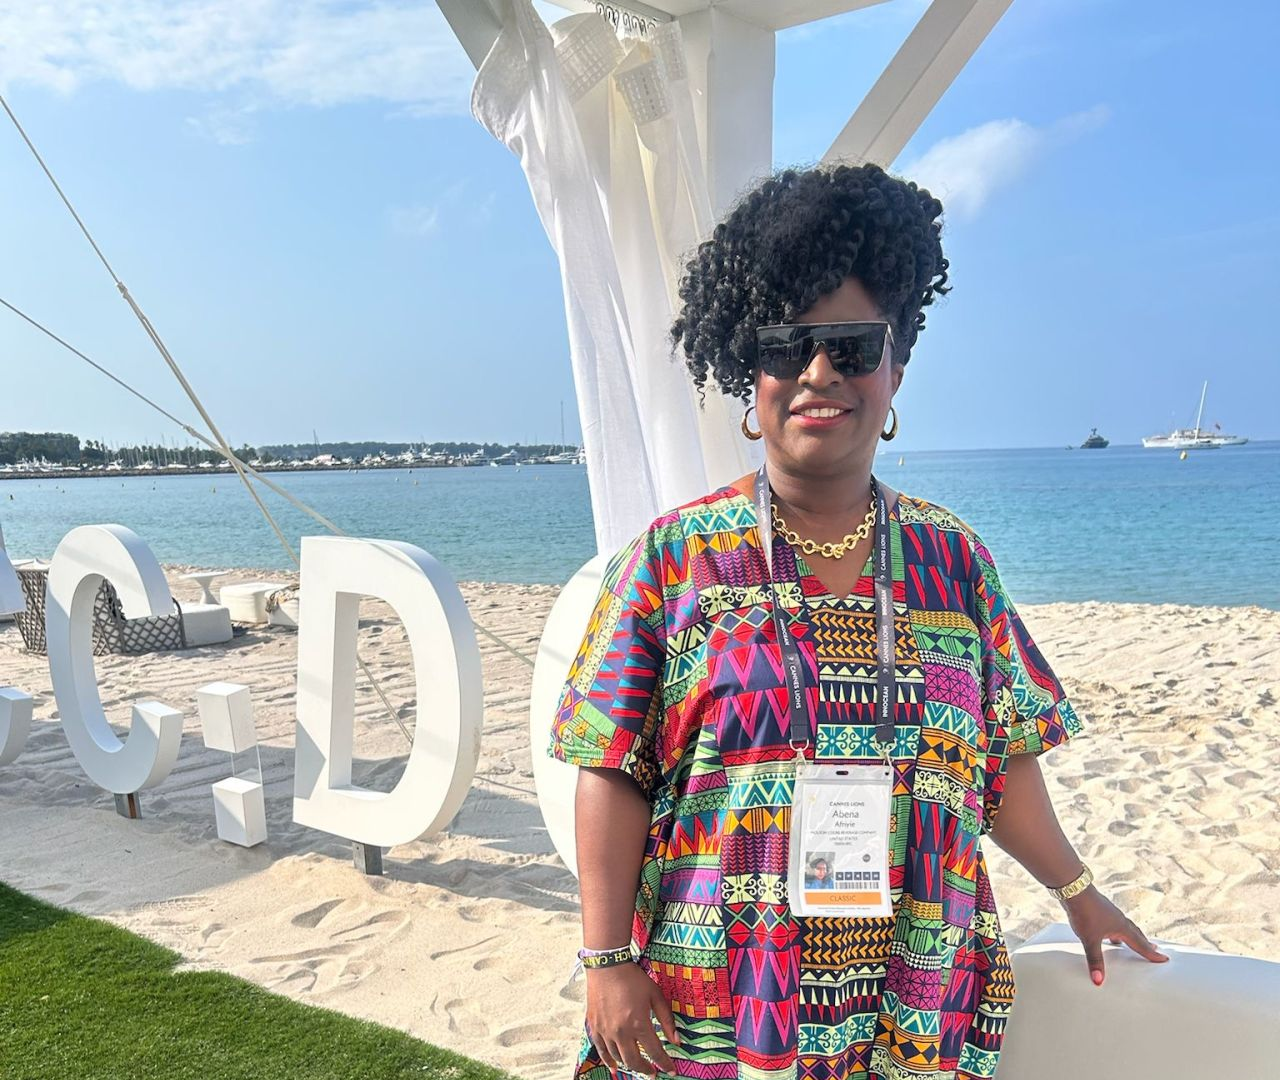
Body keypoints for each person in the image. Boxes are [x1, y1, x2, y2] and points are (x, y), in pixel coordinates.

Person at [551, 163, 1166, 1080]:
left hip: (918, 977)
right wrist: (605, 959)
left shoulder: (953, 563)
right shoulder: (672, 561)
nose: (817, 373)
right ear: (746, 375)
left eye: (850, 345)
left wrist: (1077, 891)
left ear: (896, 367)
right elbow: (610, 766)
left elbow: (998, 763)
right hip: (722, 992)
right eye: (785, 347)